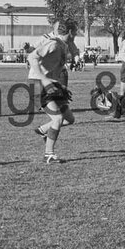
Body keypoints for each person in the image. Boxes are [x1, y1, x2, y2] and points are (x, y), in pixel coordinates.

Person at [27, 20, 78, 164]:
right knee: (57, 119)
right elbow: (32, 57)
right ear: (70, 32)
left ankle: (43, 130)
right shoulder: (53, 43)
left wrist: (60, 86)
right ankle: (48, 154)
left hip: (52, 84)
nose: (76, 35)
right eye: (75, 32)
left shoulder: (63, 45)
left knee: (69, 119)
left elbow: (53, 68)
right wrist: (44, 79)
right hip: (39, 85)